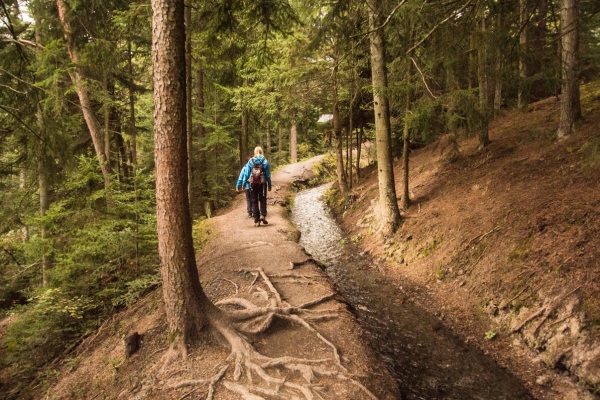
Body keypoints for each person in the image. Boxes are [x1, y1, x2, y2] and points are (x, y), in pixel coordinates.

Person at [236, 146, 272, 226]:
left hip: (252, 183)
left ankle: (257, 220)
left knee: (254, 200)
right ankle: (263, 215)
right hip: (262, 183)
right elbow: (268, 175)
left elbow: (246, 174)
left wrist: (243, 184)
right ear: (261, 152)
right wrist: (269, 185)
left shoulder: (250, 161)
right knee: (262, 199)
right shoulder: (264, 161)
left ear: (254, 152)